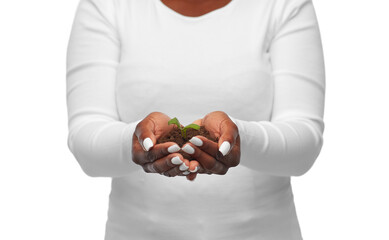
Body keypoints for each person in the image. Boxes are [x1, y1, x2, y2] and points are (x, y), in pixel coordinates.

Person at [66, 0, 325, 239]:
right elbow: (86, 138)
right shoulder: (106, 5)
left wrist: (241, 138)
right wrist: (135, 141)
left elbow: (304, 143)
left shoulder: (283, 5)